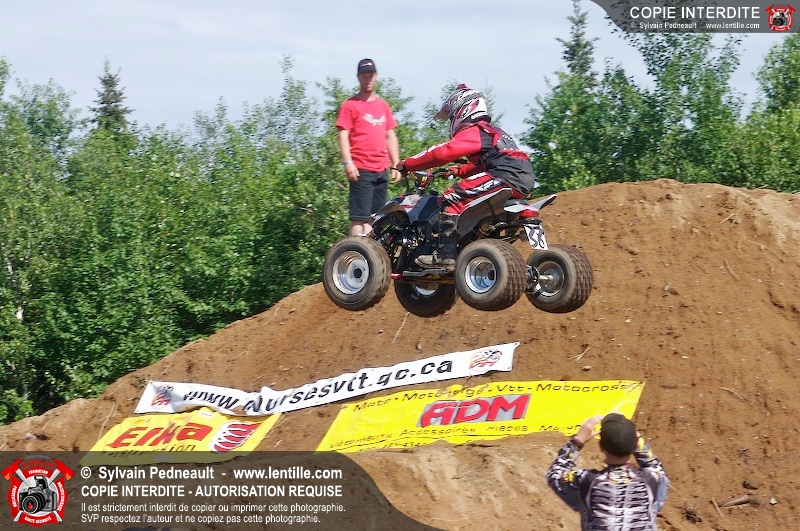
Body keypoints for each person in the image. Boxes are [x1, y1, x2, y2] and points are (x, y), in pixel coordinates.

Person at [396, 84, 536, 270]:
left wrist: (408, 164)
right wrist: (459, 171)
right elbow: (486, 162)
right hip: (523, 178)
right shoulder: (494, 132)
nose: (451, 122)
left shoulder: (477, 130)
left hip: (505, 176)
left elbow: (442, 153)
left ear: (462, 109)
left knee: (452, 197)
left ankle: (445, 255)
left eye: (451, 117)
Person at [546, 413, 670, 530]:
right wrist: (634, 437)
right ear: (635, 445)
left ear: (600, 446)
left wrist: (577, 441)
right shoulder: (653, 478)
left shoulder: (586, 480)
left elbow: (555, 475)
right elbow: (654, 464)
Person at [336, 58, 401, 236]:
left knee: (375, 219)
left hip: (381, 169)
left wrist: (396, 164)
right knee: (359, 219)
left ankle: (370, 253)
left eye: (370, 75)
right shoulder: (350, 105)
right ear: (358, 77)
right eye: (364, 75)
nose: (368, 79)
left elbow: (390, 135)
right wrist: (347, 162)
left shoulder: (383, 106)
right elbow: (343, 135)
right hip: (360, 169)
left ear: (376, 76)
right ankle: (354, 252)